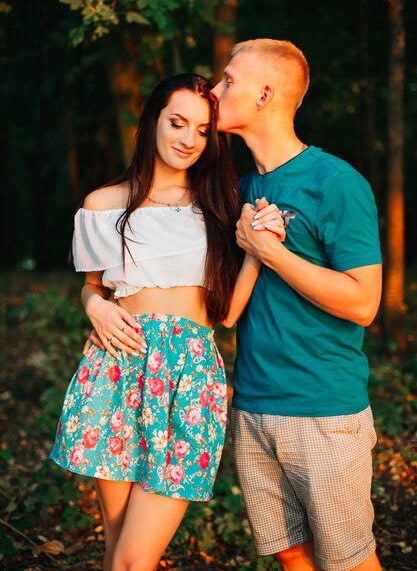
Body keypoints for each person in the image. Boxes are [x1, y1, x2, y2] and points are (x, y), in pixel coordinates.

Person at [50, 73, 284, 571]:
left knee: (133, 558)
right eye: (178, 123)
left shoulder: (219, 208)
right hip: (115, 370)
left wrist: (260, 254)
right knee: (116, 546)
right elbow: (94, 287)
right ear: (152, 119)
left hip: (190, 379)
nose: (188, 140)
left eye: (203, 131)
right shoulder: (102, 205)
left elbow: (226, 315)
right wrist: (94, 306)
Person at [211, 39, 383, 571]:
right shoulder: (239, 188)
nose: (214, 92)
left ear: (264, 94)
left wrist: (270, 252)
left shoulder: (335, 183)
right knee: (291, 554)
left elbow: (363, 304)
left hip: (323, 410)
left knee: (347, 562)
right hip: (255, 405)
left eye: (227, 81)